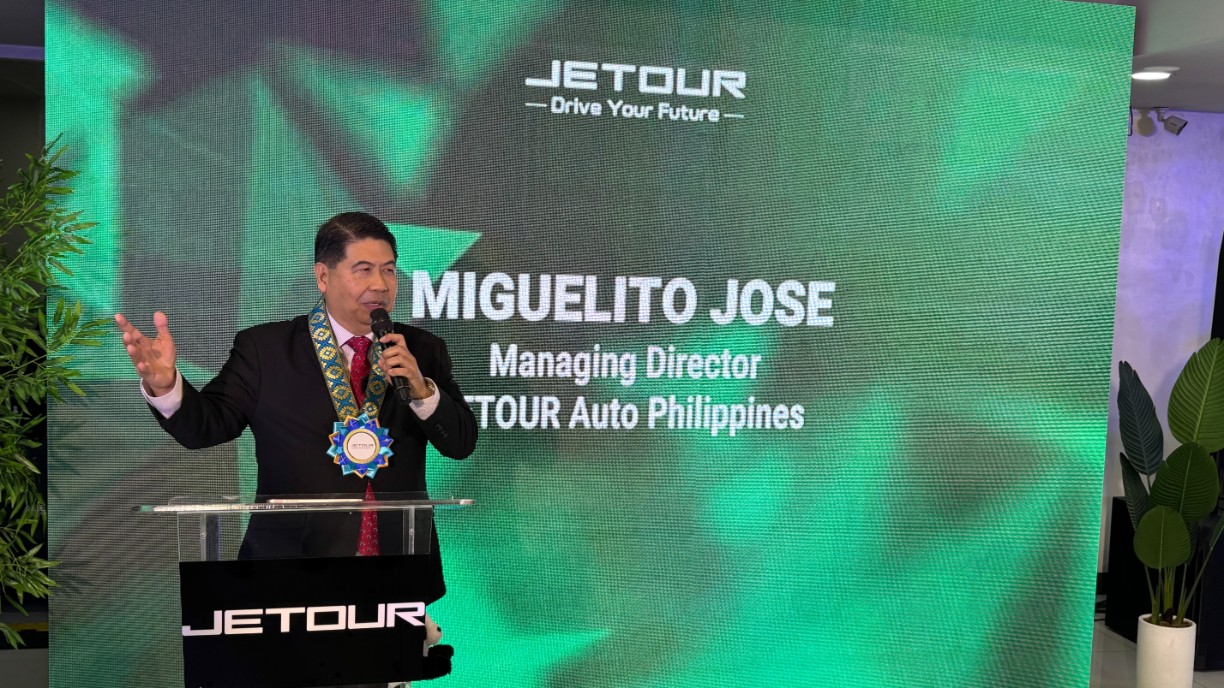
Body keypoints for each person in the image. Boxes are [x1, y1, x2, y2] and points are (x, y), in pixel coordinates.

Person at [115, 211, 476, 687]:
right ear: (323, 276)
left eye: (389, 269)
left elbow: (461, 442)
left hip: (395, 567)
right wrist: (165, 386)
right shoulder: (265, 350)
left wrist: (422, 389)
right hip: (291, 570)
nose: (381, 284)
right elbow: (207, 426)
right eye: (364, 269)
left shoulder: (421, 351)